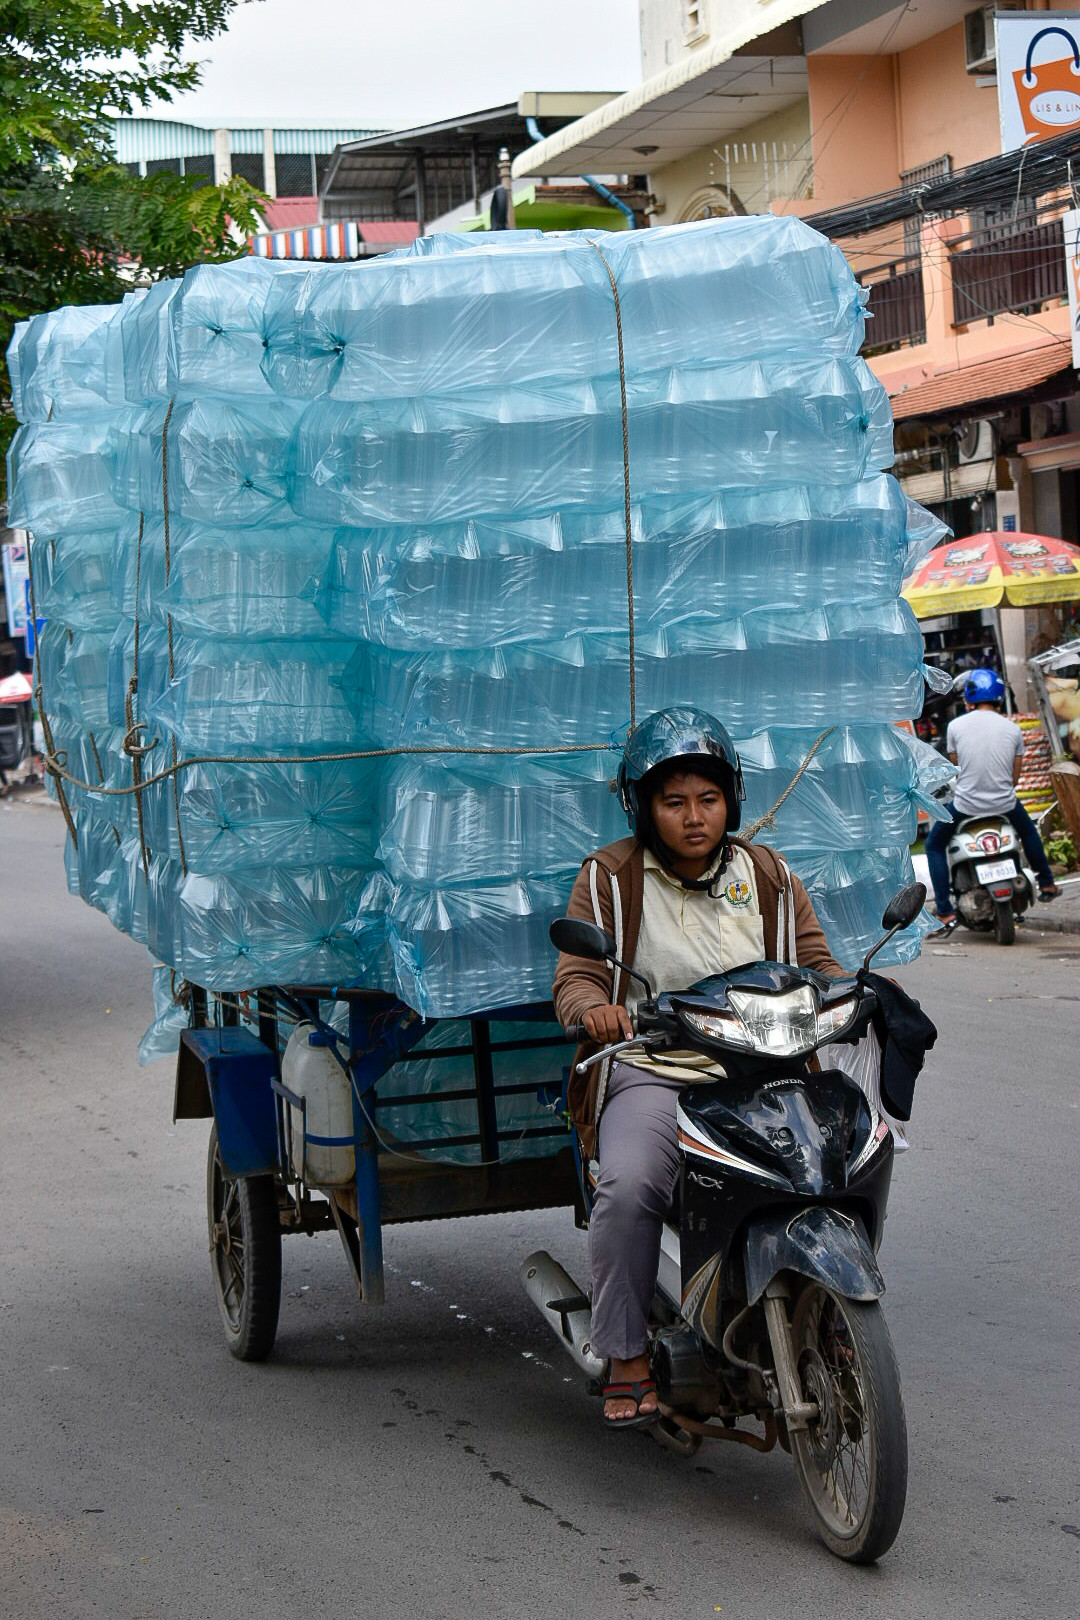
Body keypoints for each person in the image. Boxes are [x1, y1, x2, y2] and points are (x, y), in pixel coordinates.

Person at [552, 706, 846, 1430]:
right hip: (658, 1068)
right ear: (644, 807)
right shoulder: (611, 878)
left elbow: (818, 961)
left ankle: (832, 1311)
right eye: (674, 801)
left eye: (708, 800)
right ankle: (623, 1351)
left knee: (832, 1165)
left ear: (731, 801)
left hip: (763, 1069)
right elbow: (576, 977)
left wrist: (859, 993)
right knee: (627, 1188)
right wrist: (596, 1010)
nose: (694, 817)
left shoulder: (769, 873)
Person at [925, 667, 1061, 933]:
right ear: (998, 696)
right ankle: (1046, 882)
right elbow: (1015, 776)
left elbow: (957, 766)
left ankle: (943, 910)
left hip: (965, 805)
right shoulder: (1012, 728)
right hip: (1005, 804)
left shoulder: (955, 726)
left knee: (933, 844)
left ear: (970, 696)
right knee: (1029, 833)